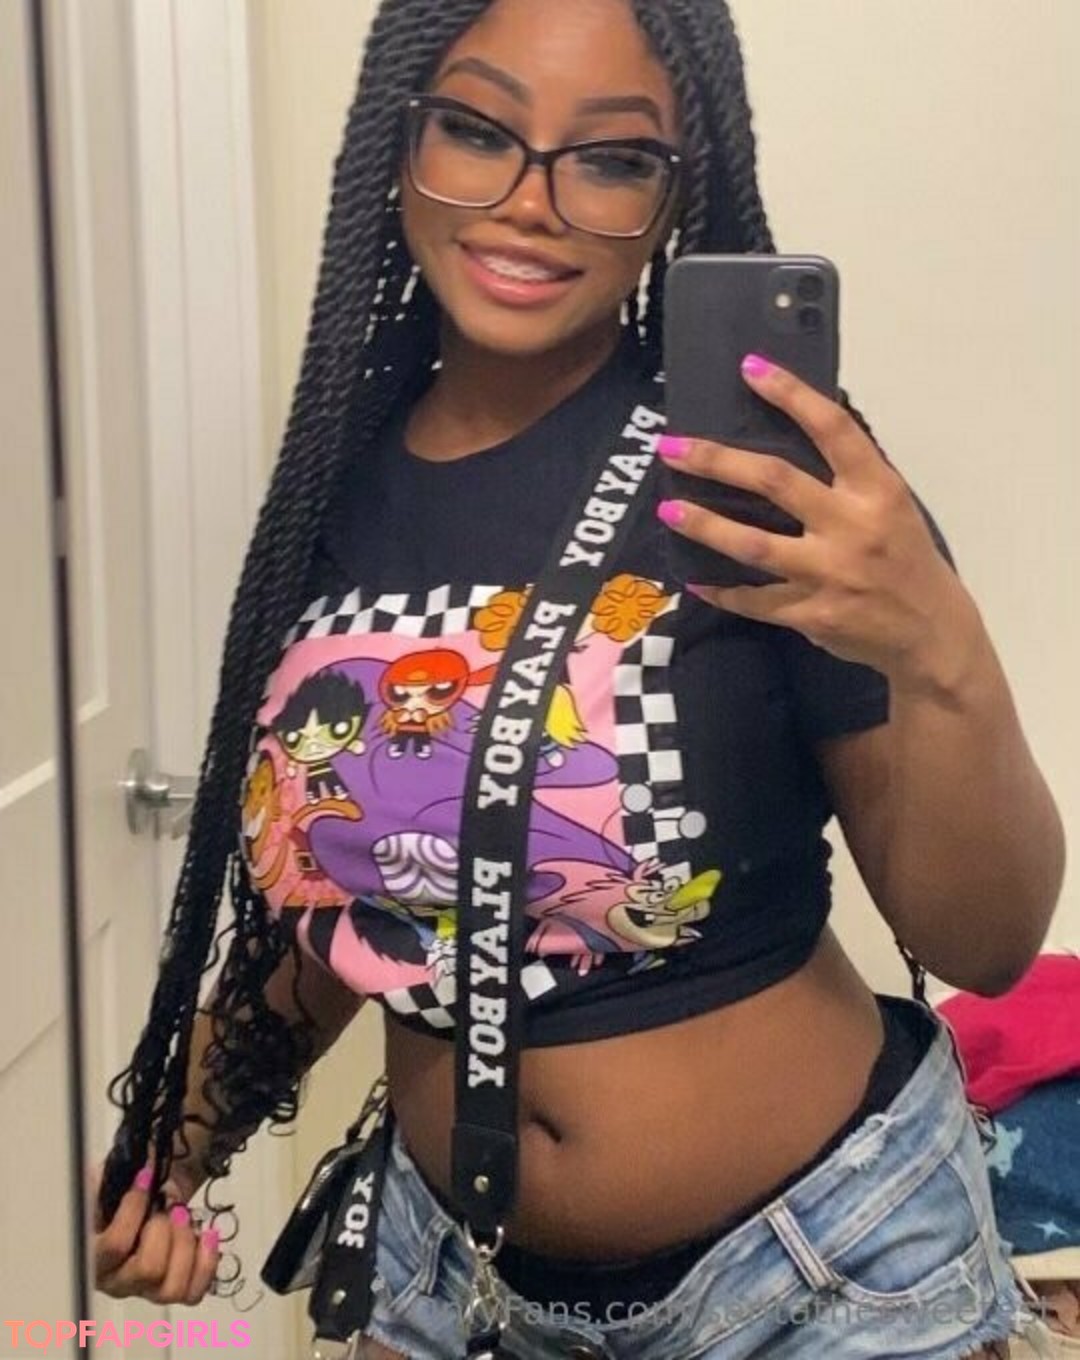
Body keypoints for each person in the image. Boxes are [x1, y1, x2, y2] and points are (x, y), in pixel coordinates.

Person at [93, 1, 1065, 1356]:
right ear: (397, 144)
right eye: (477, 131)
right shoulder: (337, 488)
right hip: (448, 1284)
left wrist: (941, 649)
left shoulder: (758, 472)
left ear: (676, 195)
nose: (530, 204)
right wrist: (172, 1144)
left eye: (609, 158)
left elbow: (988, 943)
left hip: (819, 1281)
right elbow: (358, 909)